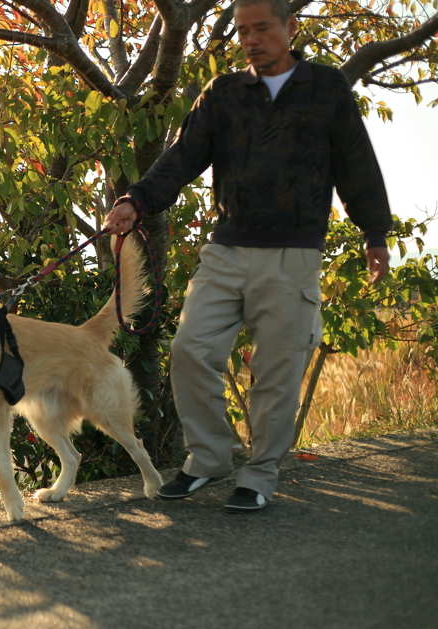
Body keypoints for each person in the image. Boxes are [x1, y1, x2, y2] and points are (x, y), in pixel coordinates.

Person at [102, 0, 391, 512]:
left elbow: (357, 165)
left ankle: (258, 475)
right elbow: (182, 156)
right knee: (190, 350)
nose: (251, 39)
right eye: (242, 31)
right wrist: (136, 200)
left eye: (261, 28)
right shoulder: (225, 94)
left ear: (289, 27)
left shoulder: (325, 90)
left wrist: (374, 232)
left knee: (276, 372)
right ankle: (209, 458)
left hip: (292, 256)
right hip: (227, 250)